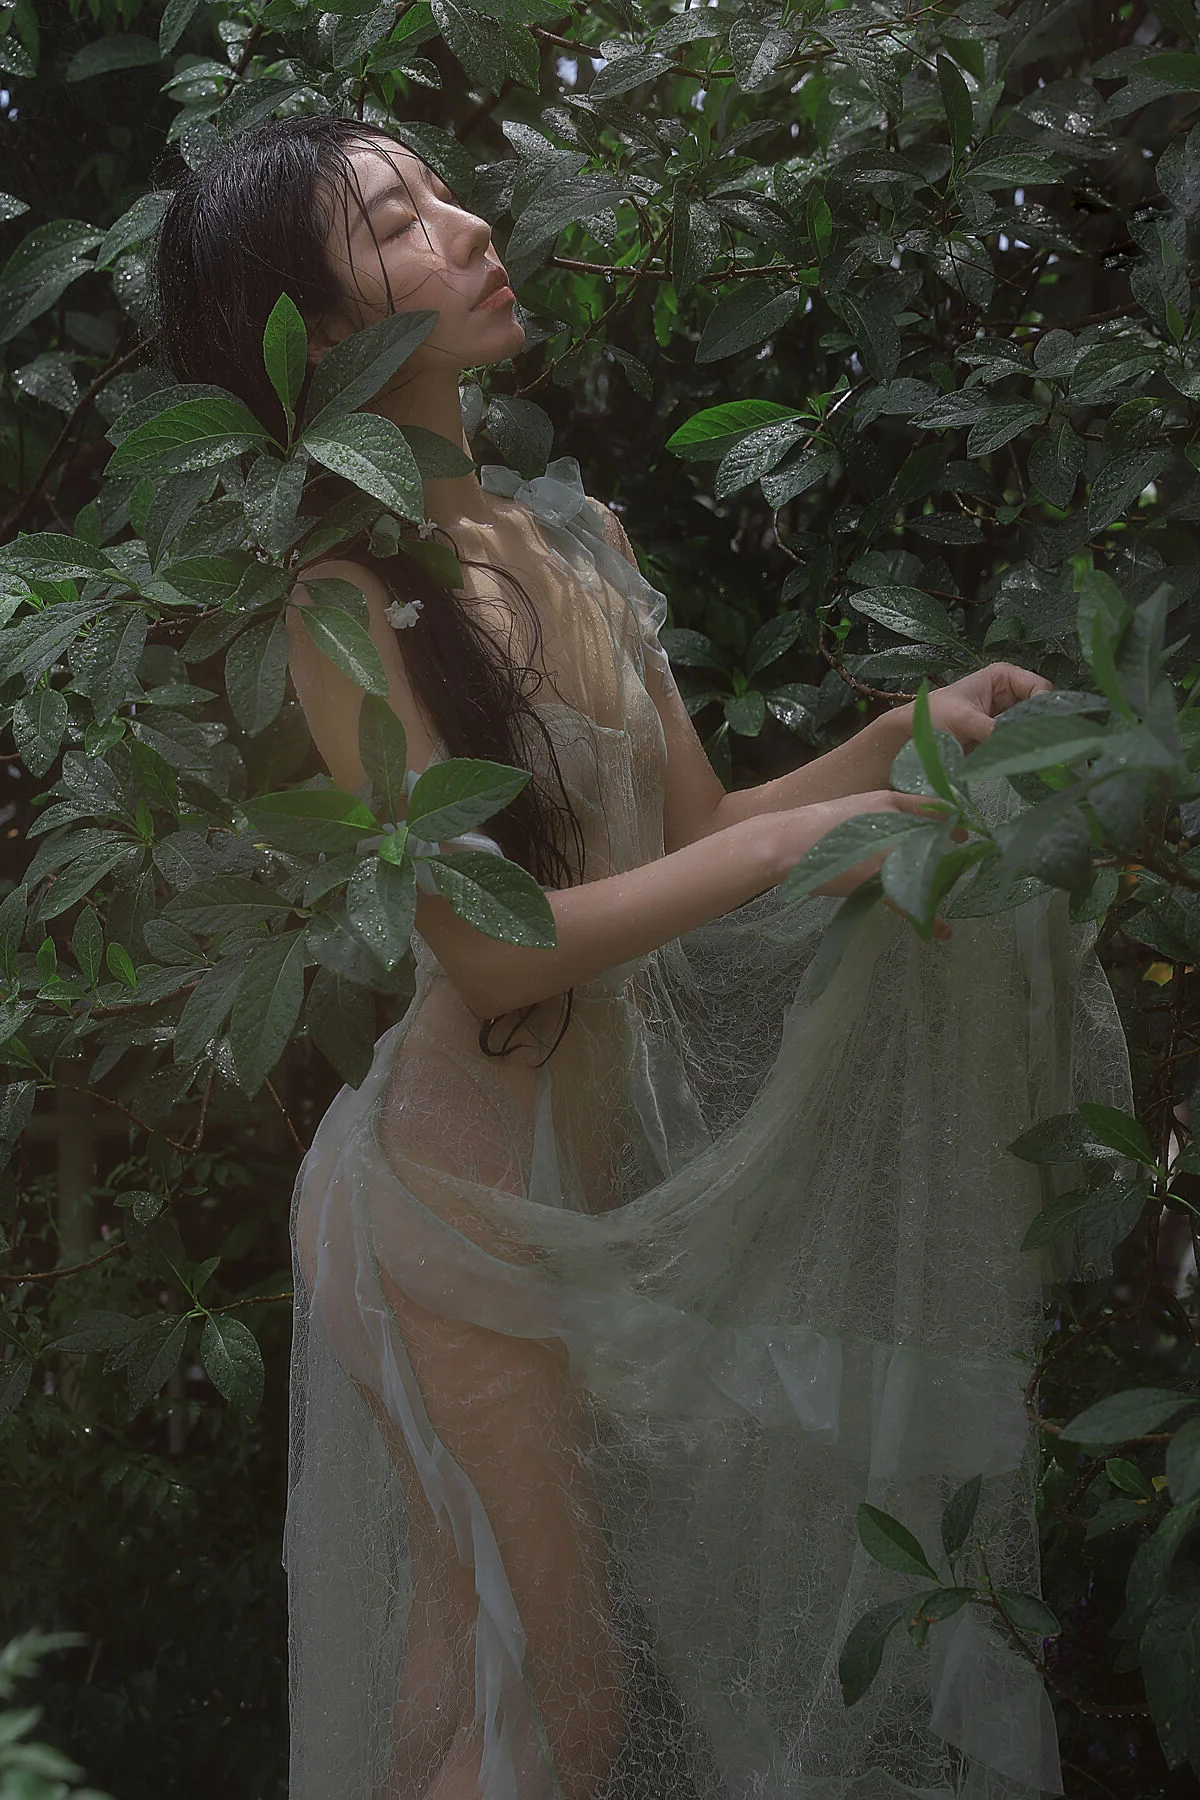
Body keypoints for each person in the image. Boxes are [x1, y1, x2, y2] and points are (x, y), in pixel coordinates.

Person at [152, 117, 1132, 1800]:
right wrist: (791, 847)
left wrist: (911, 736)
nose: (470, 223)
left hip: (563, 1196)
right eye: (398, 217)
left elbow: (701, 830)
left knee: (472, 1685)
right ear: (311, 333)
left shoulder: (572, 542)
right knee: (566, 1705)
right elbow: (490, 956)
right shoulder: (344, 601)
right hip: (447, 1205)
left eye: (442, 188)